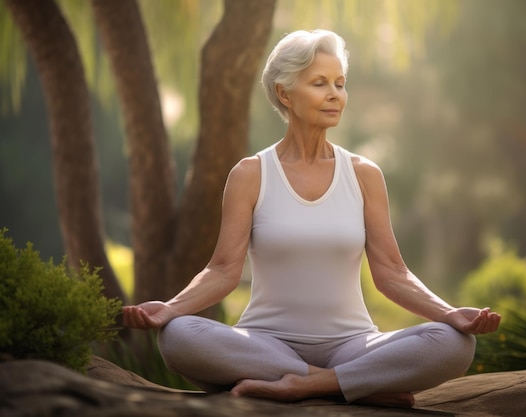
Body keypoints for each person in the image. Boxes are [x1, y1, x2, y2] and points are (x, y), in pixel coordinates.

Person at [123, 29, 501, 408]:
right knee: (177, 336)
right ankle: (353, 386)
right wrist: (171, 308)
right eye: (320, 83)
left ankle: (311, 384)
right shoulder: (251, 174)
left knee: (454, 344)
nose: (335, 94)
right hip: (265, 344)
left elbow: (392, 272)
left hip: (352, 346)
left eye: (340, 83)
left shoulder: (364, 174)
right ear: (285, 94)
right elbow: (223, 270)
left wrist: (451, 314)